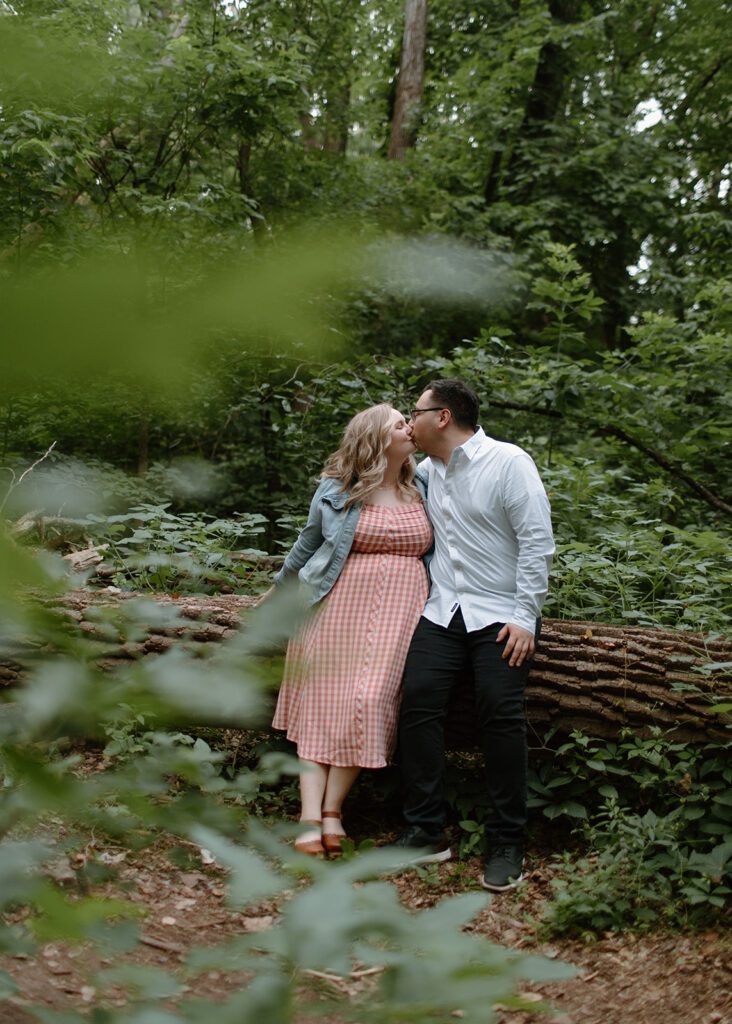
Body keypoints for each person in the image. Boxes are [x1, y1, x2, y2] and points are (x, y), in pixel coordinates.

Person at [395, 378, 554, 892]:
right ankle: (424, 830)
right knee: (416, 699)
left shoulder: (509, 462)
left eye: (414, 411)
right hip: (442, 610)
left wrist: (526, 615)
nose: (409, 420)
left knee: (499, 709)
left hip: (502, 614)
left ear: (442, 416)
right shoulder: (421, 474)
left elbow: (536, 540)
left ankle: (507, 840)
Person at [271, 404, 432, 856]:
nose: (410, 427)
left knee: (368, 698)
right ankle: (314, 816)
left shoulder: (423, 485)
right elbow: (308, 540)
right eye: (400, 423)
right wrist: (279, 589)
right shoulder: (337, 488)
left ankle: (332, 809)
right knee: (322, 703)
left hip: (400, 611)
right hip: (335, 604)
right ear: (376, 439)